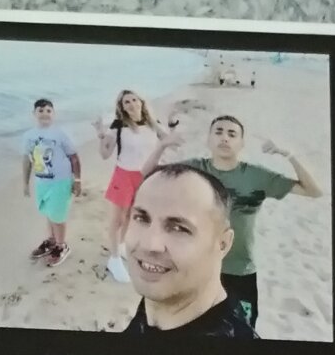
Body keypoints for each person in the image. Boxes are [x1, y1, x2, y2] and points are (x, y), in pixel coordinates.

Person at [178, 111, 322, 330]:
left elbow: (313, 191)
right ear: (208, 139)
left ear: (241, 143)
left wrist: (290, 155)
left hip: (240, 269)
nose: (224, 138)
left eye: (232, 134)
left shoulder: (257, 176)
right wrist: (162, 145)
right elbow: (149, 178)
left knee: (242, 331)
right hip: (199, 268)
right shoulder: (194, 169)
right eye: (218, 132)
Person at [121, 164, 249, 339]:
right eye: (141, 218)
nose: (150, 245)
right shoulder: (165, 300)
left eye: (178, 228)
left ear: (223, 244)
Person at [95, 88, 164, 279]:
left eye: (134, 100)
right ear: (122, 107)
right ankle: (114, 259)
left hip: (145, 176)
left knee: (131, 216)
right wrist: (100, 136)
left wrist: (174, 127)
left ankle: (122, 246)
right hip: (124, 175)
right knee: (117, 219)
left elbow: (168, 141)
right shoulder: (118, 125)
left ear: (141, 102)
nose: (132, 104)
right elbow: (105, 154)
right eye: (127, 102)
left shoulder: (153, 124)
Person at [22, 98, 81, 268]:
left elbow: (74, 157)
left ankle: (62, 246)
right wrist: (25, 183)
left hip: (60, 182)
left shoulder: (60, 134)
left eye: (48, 110)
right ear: (34, 114)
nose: (45, 114)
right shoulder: (29, 136)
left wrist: (77, 180)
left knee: (58, 215)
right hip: (42, 182)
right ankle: (52, 240)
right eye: (40, 111)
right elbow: (27, 160)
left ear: (54, 114)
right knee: (49, 212)